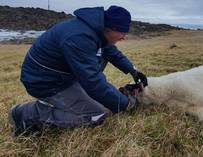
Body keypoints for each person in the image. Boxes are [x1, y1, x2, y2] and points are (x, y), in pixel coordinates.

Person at [8, 5, 148, 136]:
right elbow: (92, 81)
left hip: (63, 76)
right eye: (122, 32)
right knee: (96, 115)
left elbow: (112, 53)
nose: (123, 37)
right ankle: (26, 115)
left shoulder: (97, 31)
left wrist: (133, 71)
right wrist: (125, 104)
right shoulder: (79, 37)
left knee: (101, 101)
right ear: (110, 28)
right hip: (44, 82)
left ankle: (70, 99)